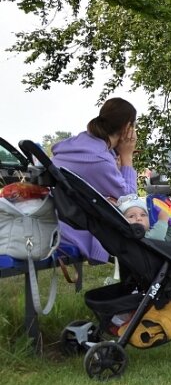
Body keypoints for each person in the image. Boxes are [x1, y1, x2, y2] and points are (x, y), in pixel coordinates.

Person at [51, 97, 138, 263]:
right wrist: (127, 157)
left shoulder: (75, 144)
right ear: (127, 127)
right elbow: (129, 201)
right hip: (74, 229)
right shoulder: (99, 159)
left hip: (56, 220)